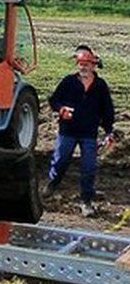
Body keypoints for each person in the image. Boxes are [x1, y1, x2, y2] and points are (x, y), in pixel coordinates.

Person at [44, 45, 115, 216]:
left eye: (87, 64)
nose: (83, 68)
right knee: (60, 160)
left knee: (89, 167)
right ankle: (52, 184)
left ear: (93, 65)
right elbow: (54, 100)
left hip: (89, 133)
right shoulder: (68, 82)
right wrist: (61, 110)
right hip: (67, 130)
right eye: (81, 64)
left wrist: (109, 131)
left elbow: (107, 110)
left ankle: (86, 200)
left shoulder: (100, 86)